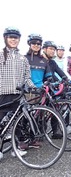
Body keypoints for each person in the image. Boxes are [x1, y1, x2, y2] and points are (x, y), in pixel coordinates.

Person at [0, 27, 35, 158]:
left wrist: (33, 88)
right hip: (3, 93)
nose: (13, 40)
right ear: (5, 38)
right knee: (1, 122)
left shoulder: (23, 59)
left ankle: (15, 149)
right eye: (11, 37)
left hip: (18, 95)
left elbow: (27, 77)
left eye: (16, 38)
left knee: (16, 123)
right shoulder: (0, 55)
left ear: (19, 40)